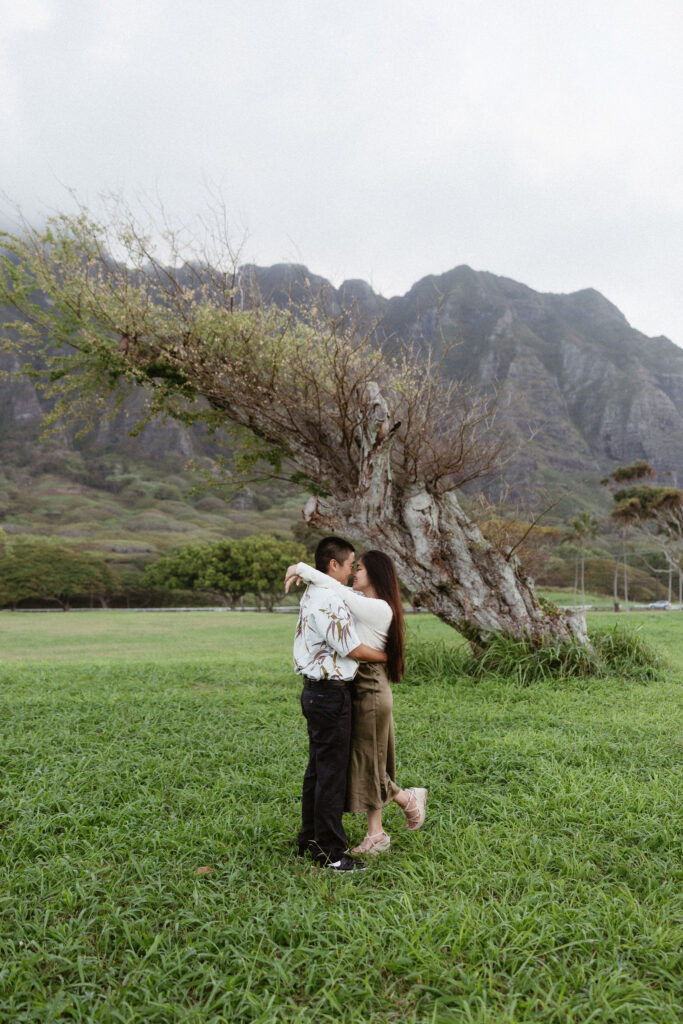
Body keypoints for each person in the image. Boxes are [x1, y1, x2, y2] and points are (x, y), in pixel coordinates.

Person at [286, 549, 427, 856]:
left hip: (370, 686)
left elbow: (336, 589)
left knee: (367, 759)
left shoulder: (378, 607)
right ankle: (376, 833)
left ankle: (405, 802)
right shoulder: (362, 600)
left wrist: (301, 568)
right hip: (358, 684)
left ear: (374, 574)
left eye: (359, 568)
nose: (353, 574)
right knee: (366, 758)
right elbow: (339, 590)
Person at [291, 536, 389, 872]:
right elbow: (352, 649)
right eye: (349, 566)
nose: (350, 573)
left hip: (316, 691)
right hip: (330, 693)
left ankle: (310, 841)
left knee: (317, 771)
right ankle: (331, 853)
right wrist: (388, 656)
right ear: (333, 565)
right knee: (330, 775)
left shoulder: (314, 592)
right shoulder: (329, 598)